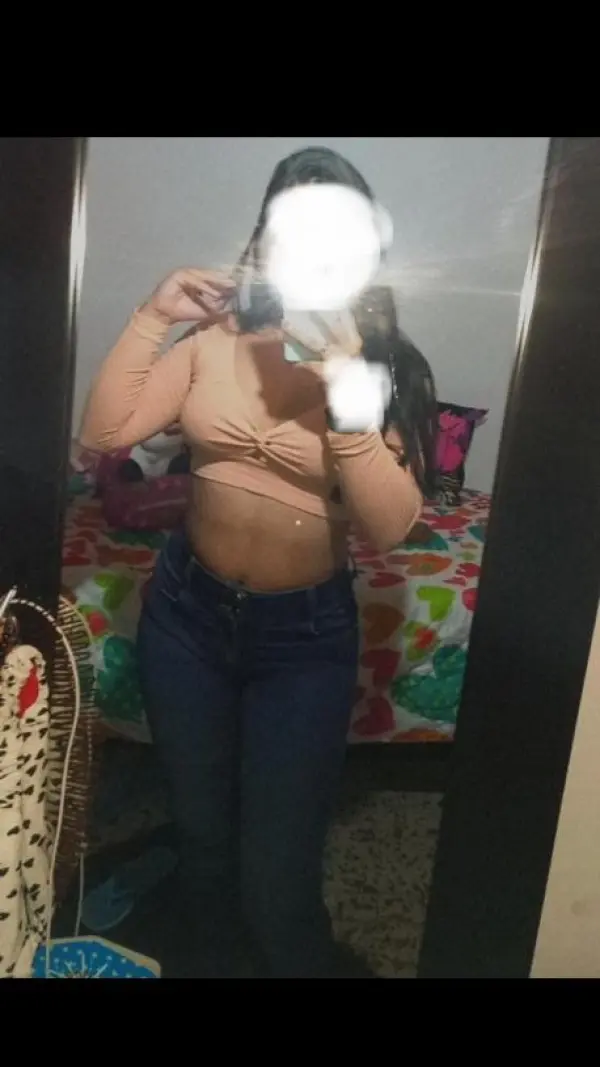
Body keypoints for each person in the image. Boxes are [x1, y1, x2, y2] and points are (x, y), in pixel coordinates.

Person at [79, 146, 438, 979]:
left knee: (277, 875)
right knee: (202, 840)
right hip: (186, 618)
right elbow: (105, 433)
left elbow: (390, 527)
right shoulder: (214, 340)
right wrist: (153, 313)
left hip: (302, 641)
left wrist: (346, 393)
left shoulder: (384, 363)